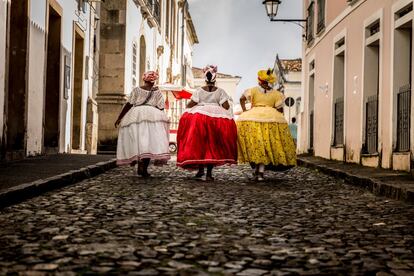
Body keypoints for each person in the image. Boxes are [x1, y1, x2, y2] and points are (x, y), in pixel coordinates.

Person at [177, 65, 237, 181]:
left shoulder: (199, 91)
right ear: (215, 79)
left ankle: (200, 170)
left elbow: (191, 104)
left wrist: (191, 107)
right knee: (212, 145)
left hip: (199, 118)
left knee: (200, 143)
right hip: (215, 119)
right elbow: (226, 106)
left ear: (205, 78)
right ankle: (209, 174)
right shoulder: (220, 91)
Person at [237, 69, 296, 181]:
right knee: (266, 145)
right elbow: (280, 109)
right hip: (271, 119)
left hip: (253, 118)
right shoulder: (276, 94)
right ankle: (260, 172)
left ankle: (257, 171)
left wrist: (245, 110)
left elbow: (241, 98)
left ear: (259, 81)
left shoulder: (253, 90)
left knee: (255, 145)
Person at [115, 71, 170, 177]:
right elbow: (161, 107)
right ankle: (144, 168)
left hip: (136, 116)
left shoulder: (136, 90)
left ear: (144, 79)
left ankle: (138, 161)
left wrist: (120, 117)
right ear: (154, 81)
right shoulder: (157, 92)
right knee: (149, 143)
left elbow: (129, 104)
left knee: (138, 141)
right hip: (152, 116)